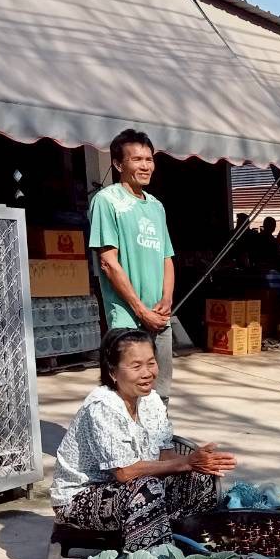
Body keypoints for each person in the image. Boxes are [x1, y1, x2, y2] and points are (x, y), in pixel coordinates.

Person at [51, 329, 236, 551]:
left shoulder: (151, 400)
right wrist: (186, 462)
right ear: (112, 372)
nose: (147, 373)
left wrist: (199, 463)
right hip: (81, 496)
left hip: (129, 487)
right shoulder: (102, 407)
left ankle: (184, 543)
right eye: (136, 366)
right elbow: (125, 472)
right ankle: (153, 558)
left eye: (151, 363)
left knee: (200, 478)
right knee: (146, 489)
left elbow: (165, 456)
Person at [89, 129, 176, 397]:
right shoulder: (107, 201)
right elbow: (108, 263)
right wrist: (141, 311)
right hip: (128, 317)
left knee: (160, 391)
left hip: (159, 317)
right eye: (137, 159)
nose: (145, 166)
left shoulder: (156, 206)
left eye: (149, 159)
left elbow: (167, 257)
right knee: (128, 391)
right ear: (118, 164)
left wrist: (166, 300)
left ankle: (159, 427)